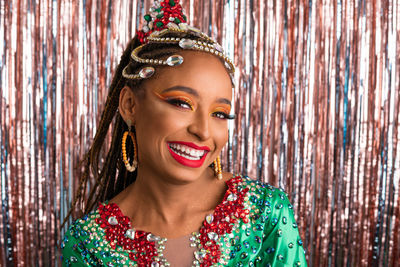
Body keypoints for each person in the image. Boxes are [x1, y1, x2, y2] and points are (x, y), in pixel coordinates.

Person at [61, 0, 308, 266]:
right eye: (181, 103)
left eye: (220, 114)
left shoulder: (264, 213)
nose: (202, 130)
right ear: (130, 105)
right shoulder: (90, 244)